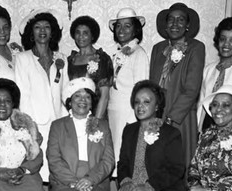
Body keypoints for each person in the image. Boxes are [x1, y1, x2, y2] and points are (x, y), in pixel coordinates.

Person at [15, 9, 69, 182]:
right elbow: (22, 95)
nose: (43, 31)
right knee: (39, 167)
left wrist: (68, 119)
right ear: (32, 32)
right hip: (36, 123)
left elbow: (66, 91)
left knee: (58, 165)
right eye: (38, 27)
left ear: (52, 32)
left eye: (47, 27)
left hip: (59, 121)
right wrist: (30, 127)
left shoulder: (62, 58)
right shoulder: (23, 59)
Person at [149, 2, 205, 168]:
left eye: (181, 20)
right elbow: (152, 83)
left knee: (178, 160)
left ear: (187, 25)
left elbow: (192, 89)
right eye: (171, 20)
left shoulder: (196, 47)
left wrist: (171, 117)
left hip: (181, 116)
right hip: (157, 113)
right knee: (157, 159)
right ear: (165, 25)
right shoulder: (157, 48)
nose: (175, 24)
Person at [107, 7, 149, 171]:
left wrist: (133, 120)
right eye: (118, 26)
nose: (121, 30)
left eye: (127, 25)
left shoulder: (139, 54)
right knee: (114, 155)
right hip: (113, 112)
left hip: (128, 114)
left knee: (126, 157)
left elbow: (142, 90)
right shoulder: (117, 53)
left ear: (136, 29)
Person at [67, 16, 114, 119]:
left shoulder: (102, 59)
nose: (81, 36)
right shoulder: (70, 60)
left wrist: (96, 122)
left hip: (95, 115)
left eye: (85, 33)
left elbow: (104, 95)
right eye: (78, 32)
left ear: (92, 36)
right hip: (74, 115)